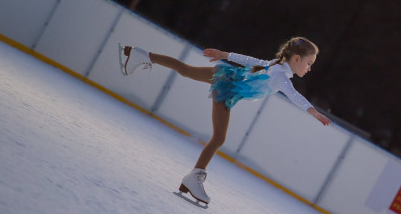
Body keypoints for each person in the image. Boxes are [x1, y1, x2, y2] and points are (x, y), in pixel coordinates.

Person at [118, 37, 331, 204]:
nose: (309, 68)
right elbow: (294, 95)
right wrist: (313, 112)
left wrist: (225, 54)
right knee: (218, 138)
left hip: (227, 76)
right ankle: (194, 177)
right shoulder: (279, 77)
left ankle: (140, 54)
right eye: (309, 63)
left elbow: (252, 63)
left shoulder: (274, 66)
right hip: (227, 86)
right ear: (296, 59)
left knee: (185, 70)